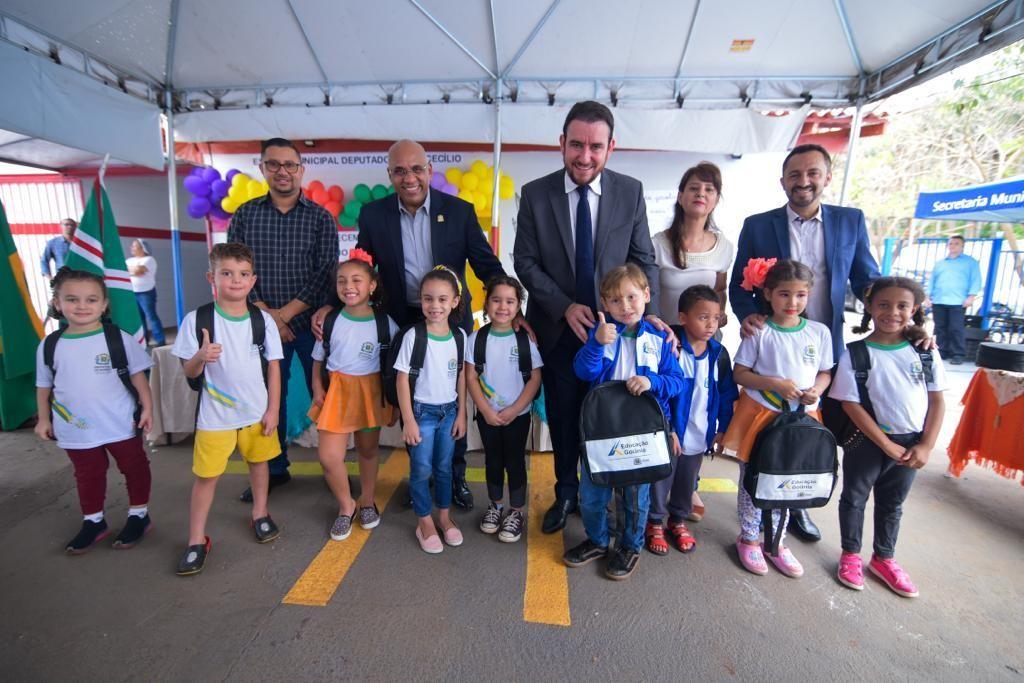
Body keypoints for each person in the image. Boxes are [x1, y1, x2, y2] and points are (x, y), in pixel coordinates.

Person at [513, 100, 668, 535]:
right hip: (558, 330)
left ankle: (603, 498)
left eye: (595, 147)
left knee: (611, 420)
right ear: (562, 143)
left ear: (610, 147)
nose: (585, 156)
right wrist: (563, 305)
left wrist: (651, 316)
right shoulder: (536, 193)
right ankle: (566, 494)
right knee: (564, 421)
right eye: (577, 145)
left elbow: (643, 259)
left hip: (618, 336)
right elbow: (525, 261)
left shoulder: (630, 191)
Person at [334, 139, 509, 511]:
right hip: (404, 322)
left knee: (452, 399)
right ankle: (421, 480)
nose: (409, 177)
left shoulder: (459, 212)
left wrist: (512, 305)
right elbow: (361, 271)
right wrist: (332, 308)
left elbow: (487, 265)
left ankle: (455, 477)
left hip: (450, 323)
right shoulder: (373, 215)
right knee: (412, 402)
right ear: (390, 175)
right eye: (399, 171)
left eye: (416, 169)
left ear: (429, 170)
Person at [729, 143, 880, 543]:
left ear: (827, 177)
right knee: (770, 431)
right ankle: (758, 511)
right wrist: (750, 315)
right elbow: (740, 284)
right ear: (783, 181)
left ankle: (797, 505)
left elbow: (867, 279)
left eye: (813, 173)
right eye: (795, 174)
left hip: (820, 344)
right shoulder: (758, 225)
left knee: (809, 429)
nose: (804, 181)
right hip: (775, 342)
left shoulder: (850, 221)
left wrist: (902, 318)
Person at [228, 138, 338, 502]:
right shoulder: (245, 215)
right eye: (273, 164)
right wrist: (269, 318)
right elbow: (236, 268)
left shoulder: (320, 218)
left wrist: (285, 316)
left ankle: (334, 468)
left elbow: (325, 272)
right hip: (260, 328)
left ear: (301, 170)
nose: (282, 171)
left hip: (311, 329)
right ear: (262, 168)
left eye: (290, 164)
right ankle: (274, 469)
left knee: (326, 396)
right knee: (266, 399)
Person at [564, 265, 685, 580]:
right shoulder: (603, 334)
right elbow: (584, 372)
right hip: (601, 429)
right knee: (592, 494)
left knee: (635, 497)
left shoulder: (659, 339)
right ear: (605, 303)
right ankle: (597, 540)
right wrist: (595, 343)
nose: (626, 306)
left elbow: (677, 382)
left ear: (646, 295)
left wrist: (651, 381)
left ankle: (631, 546)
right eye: (616, 300)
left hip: (642, 432)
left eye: (632, 297)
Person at [830, 277, 946, 597]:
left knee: (892, 503)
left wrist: (926, 446)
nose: (892, 312)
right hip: (866, 441)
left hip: (911, 445)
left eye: (902, 306)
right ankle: (850, 554)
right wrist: (884, 443)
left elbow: (937, 401)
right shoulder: (855, 353)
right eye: (883, 304)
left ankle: (883, 558)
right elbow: (850, 404)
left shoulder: (924, 352)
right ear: (868, 306)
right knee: (854, 498)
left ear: (914, 309)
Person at [172, 243, 284, 576]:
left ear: (253, 280)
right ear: (212, 277)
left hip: (256, 413)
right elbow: (188, 371)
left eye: (243, 274)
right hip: (214, 418)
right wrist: (200, 357)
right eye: (227, 273)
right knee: (206, 477)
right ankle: (196, 539)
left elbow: (274, 368)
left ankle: (260, 513)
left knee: (259, 464)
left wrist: (273, 410)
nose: (236, 280)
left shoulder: (262, 320)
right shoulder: (197, 320)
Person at [723, 259, 833, 579]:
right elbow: (740, 373)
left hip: (802, 418)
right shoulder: (759, 331)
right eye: (784, 294)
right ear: (768, 293)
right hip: (761, 414)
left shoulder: (819, 332)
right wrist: (774, 383)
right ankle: (748, 537)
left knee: (788, 480)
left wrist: (817, 390)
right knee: (754, 477)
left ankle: (777, 542)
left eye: (801, 295)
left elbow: (825, 371)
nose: (792, 302)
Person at [34, 267, 154, 554]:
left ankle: (139, 514)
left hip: (120, 422)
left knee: (134, 467)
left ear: (104, 304)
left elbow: (138, 376)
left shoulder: (117, 338)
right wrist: (43, 419)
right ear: (57, 303)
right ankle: (93, 521)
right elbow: (44, 385)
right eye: (72, 299)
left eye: (91, 299)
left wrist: (148, 408)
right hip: (75, 428)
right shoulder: (50, 345)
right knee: (88, 473)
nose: (82, 306)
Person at [653, 161, 735, 521]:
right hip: (667, 341)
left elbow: (721, 290)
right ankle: (658, 488)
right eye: (694, 188)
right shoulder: (658, 243)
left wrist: (719, 317)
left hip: (703, 341)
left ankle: (689, 485)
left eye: (709, 189)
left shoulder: (723, 246)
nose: (701, 194)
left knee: (699, 408)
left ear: (716, 199)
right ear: (681, 195)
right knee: (670, 410)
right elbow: (649, 293)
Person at [309, 250, 398, 541]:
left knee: (368, 450)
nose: (348, 286)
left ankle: (368, 501)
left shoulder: (386, 324)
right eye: (342, 281)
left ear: (371, 285)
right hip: (336, 392)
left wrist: (395, 403)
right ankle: (346, 504)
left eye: (357, 280)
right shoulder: (330, 320)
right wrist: (318, 388)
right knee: (329, 457)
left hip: (370, 393)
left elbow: (395, 368)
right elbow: (318, 358)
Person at [646, 285, 738, 556]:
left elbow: (727, 395)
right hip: (670, 432)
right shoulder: (670, 346)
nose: (711, 325)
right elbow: (660, 392)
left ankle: (677, 519)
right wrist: (669, 428)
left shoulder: (719, 354)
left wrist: (723, 429)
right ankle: (654, 522)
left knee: (687, 480)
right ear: (683, 318)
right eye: (703, 317)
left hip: (700, 433)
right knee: (661, 478)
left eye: (716, 318)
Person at [395, 267, 468, 554]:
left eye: (442, 299)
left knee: (444, 467)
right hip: (421, 413)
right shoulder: (413, 336)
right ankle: (424, 521)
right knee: (421, 469)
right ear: (420, 300)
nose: (434, 305)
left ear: (454, 301)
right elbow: (402, 379)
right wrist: (409, 421)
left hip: (449, 413)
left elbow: (461, 376)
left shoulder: (460, 336)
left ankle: (444, 517)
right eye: (428, 299)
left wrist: (462, 413)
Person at [466, 275, 543, 543]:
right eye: (496, 300)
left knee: (515, 461)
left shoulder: (525, 340)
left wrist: (514, 409)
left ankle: (516, 511)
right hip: (487, 415)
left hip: (517, 416)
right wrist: (486, 410)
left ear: (518, 305)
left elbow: (534, 379)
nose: (502, 307)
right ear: (486, 303)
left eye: (510, 301)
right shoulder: (476, 338)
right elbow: (470, 377)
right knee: (493, 460)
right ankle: (495, 505)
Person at [927, 235, 981, 365]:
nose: (953, 246)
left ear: (962, 246)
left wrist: (971, 296)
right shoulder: (940, 263)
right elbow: (932, 280)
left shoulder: (970, 262)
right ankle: (941, 352)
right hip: (939, 300)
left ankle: (957, 354)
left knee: (956, 328)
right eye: (951, 243)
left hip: (958, 301)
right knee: (939, 328)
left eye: (956, 243)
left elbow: (976, 280)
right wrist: (928, 296)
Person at [126, 239, 166, 347]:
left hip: (146, 293)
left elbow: (138, 271)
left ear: (142, 248)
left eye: (134, 246)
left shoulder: (149, 259)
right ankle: (144, 341)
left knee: (151, 316)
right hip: (133, 293)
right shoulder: (129, 260)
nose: (131, 248)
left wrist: (129, 270)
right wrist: (133, 270)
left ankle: (160, 340)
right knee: (139, 319)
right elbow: (125, 270)